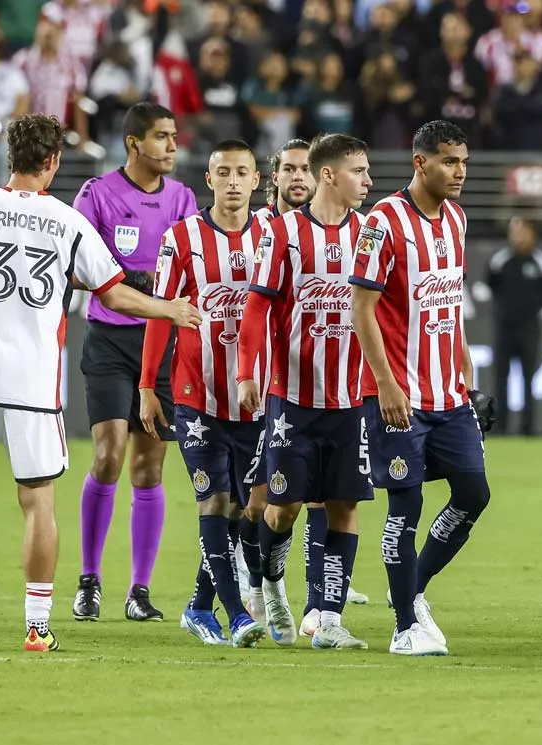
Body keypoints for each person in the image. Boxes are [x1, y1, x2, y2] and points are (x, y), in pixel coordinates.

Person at [0, 114, 201, 652]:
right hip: (36, 384)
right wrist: (168, 309)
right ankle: (38, 627)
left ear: (9, 157)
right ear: (53, 162)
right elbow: (113, 293)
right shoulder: (67, 222)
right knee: (37, 500)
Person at [350, 120, 497, 656]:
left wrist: (464, 367)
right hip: (398, 395)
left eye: (463, 162)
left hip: (448, 395)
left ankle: (412, 594)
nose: (459, 172)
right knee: (403, 510)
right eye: (448, 162)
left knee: (474, 493)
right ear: (420, 163)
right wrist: (385, 383)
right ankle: (404, 626)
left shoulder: (456, 219)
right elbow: (360, 308)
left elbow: (449, 302)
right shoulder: (382, 222)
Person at [235, 133, 375, 650]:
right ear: (329, 174)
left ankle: (330, 619)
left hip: (350, 397)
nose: (368, 181)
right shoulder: (284, 233)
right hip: (292, 397)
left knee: (344, 505)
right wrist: (248, 371)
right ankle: (269, 579)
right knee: (284, 508)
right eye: (359, 171)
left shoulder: (369, 232)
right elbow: (257, 305)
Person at [138, 139, 270, 648]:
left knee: (241, 509)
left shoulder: (273, 237)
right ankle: (236, 614)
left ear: (257, 181)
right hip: (196, 392)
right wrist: (149, 386)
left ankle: (197, 606)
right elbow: (161, 313)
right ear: (209, 181)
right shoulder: (182, 239)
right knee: (213, 500)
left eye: (243, 172)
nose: (233, 181)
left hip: (256, 398)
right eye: (224, 172)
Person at [72, 102, 199, 623]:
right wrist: (128, 280)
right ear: (133, 143)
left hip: (162, 343)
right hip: (109, 339)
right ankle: (89, 580)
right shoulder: (97, 195)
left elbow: (194, 261)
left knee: (149, 467)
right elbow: (75, 267)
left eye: (174, 136)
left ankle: (139, 591)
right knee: (109, 454)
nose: (172, 146)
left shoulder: (183, 198)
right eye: (162, 137)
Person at [484, 216, 542, 436]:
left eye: (523, 232)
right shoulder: (500, 260)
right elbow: (491, 285)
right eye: (514, 232)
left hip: (529, 328)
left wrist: (530, 308)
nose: (519, 237)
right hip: (504, 327)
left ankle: (528, 428)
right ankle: (501, 427)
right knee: (501, 378)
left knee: (528, 378)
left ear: (532, 234)